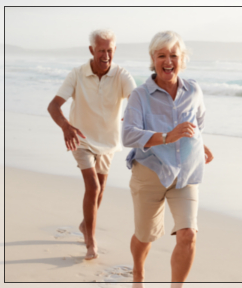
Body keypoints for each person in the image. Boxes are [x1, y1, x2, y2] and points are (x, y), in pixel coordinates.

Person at [122, 31, 213, 287]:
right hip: (149, 172)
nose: (168, 60)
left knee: (188, 235)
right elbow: (128, 134)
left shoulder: (193, 90)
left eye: (174, 55)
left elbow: (199, 123)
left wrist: (200, 145)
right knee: (145, 236)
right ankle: (138, 272)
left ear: (181, 59)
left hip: (186, 174)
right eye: (162, 55)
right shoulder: (140, 95)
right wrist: (166, 137)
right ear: (153, 59)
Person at [47, 29, 136, 260]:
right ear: (91, 50)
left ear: (114, 50)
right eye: (101, 50)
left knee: (101, 188)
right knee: (93, 187)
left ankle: (86, 225)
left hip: (108, 141)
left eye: (109, 50)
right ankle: (91, 242)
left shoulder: (122, 75)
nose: (105, 55)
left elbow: (137, 98)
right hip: (80, 137)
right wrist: (66, 127)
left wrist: (136, 113)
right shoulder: (77, 74)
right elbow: (53, 106)